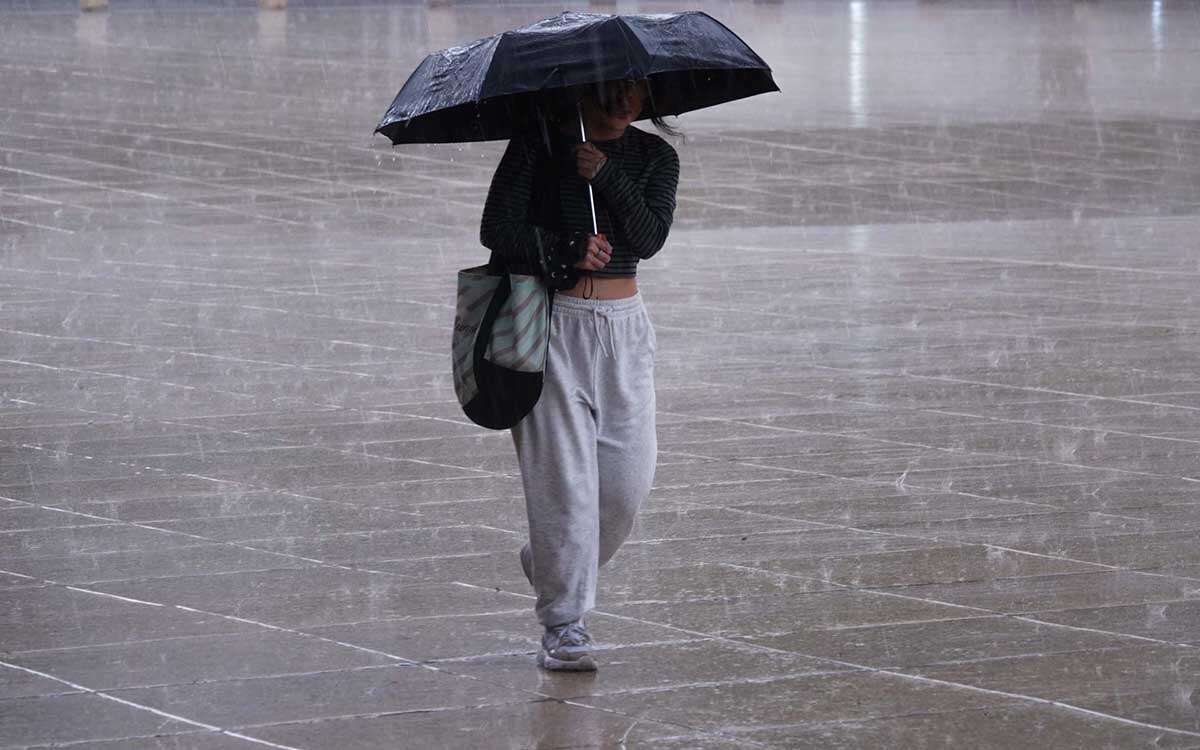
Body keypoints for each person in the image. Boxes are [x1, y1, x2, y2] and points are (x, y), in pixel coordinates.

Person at [479, 78, 680, 671]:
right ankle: (564, 624)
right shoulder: (538, 146)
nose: (623, 103)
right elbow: (497, 228)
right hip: (549, 323)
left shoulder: (654, 157)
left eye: (635, 92)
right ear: (579, 92)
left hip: (624, 328)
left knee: (623, 487)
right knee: (562, 484)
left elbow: (649, 237)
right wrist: (564, 245)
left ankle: (550, 564)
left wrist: (605, 176)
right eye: (609, 91)